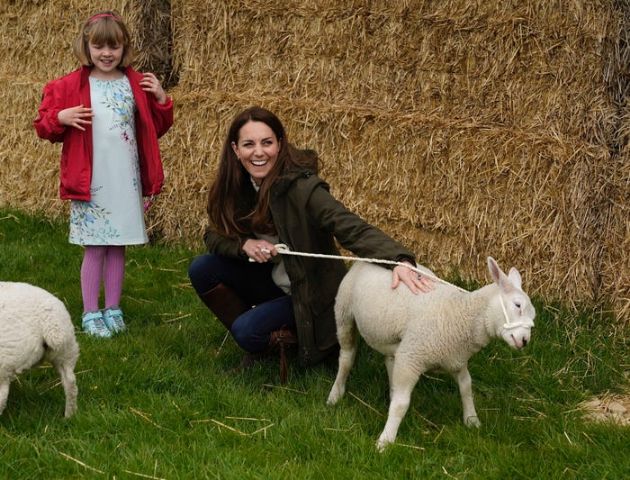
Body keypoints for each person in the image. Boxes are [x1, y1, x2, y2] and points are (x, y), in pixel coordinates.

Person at [188, 107, 432, 372]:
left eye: (267, 143)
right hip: (274, 280)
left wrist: (398, 259)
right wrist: (243, 245)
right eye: (249, 144)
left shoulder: (304, 188)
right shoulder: (237, 185)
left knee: (246, 332)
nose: (258, 152)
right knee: (203, 268)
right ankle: (266, 333)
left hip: (309, 293)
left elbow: (348, 225)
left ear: (280, 145)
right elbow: (213, 235)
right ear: (236, 150)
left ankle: (287, 340)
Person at [34, 11, 173, 338]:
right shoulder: (70, 86)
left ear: (125, 48)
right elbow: (43, 126)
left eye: (114, 46)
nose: (107, 54)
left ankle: (113, 307)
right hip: (92, 181)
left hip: (124, 180)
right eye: (99, 46)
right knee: (95, 246)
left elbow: (156, 129)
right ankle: (90, 313)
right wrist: (61, 116)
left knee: (118, 245)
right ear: (87, 47)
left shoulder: (135, 84)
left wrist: (162, 99)